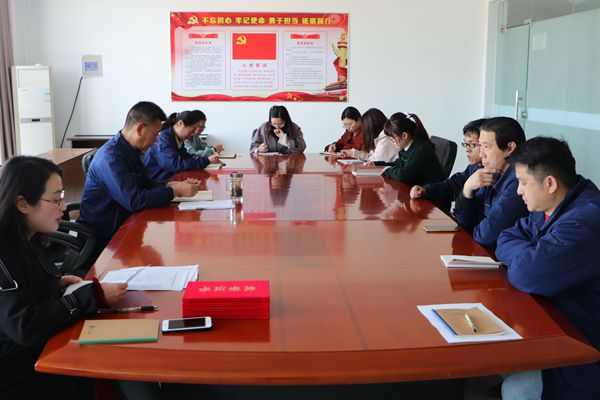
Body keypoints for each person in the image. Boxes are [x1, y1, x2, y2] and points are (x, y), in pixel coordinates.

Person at [0, 156, 127, 400]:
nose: (64, 207)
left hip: (38, 352)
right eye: (56, 199)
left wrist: (56, 285)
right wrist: (91, 296)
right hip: (18, 373)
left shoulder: (27, 239)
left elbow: (25, 289)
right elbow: (24, 325)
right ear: (23, 204)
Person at [496, 137, 600, 400]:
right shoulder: (551, 205)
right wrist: (532, 254)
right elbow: (505, 237)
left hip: (585, 344)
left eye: (523, 183)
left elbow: (524, 274)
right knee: (499, 359)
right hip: (557, 322)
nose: (518, 191)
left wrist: (530, 257)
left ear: (550, 183)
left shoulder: (585, 221)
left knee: (516, 390)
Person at [77, 101, 199, 254]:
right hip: (103, 239)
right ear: (140, 128)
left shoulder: (130, 150)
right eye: (155, 134)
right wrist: (174, 192)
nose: (156, 140)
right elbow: (134, 201)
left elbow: (145, 183)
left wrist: (170, 185)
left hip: (125, 225)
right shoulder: (111, 158)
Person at [453, 116, 527, 249]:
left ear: (509, 148)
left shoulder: (519, 184)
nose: (481, 154)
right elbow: (463, 222)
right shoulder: (491, 172)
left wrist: (474, 225)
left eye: (486, 147)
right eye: (480, 146)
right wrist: (467, 189)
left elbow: (485, 236)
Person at [410, 118, 486, 207]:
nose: (467, 149)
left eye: (472, 144)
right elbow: (452, 186)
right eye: (465, 144)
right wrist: (425, 190)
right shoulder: (474, 167)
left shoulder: (491, 174)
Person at [144, 110, 220, 182]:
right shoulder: (164, 139)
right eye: (191, 130)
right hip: (157, 181)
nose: (192, 134)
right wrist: (206, 160)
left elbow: (185, 157)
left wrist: (201, 159)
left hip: (170, 178)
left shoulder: (176, 138)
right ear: (180, 123)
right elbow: (175, 165)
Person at [381, 112, 445, 186]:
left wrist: (388, 171)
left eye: (392, 139)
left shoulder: (421, 150)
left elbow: (404, 176)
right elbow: (398, 163)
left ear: (404, 136)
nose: (391, 142)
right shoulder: (408, 147)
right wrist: (378, 164)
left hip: (430, 192)